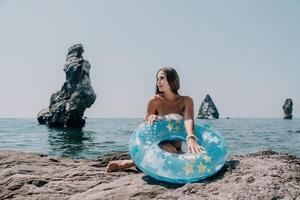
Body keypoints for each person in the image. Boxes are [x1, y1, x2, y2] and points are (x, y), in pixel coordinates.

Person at [106, 67, 204, 172]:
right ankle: (129, 162)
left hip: (177, 144)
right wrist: (150, 117)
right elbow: (145, 127)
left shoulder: (186, 101)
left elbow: (188, 119)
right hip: (159, 142)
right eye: (157, 79)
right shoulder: (155, 100)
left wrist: (191, 137)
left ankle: (136, 162)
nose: (158, 82)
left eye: (162, 78)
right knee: (171, 151)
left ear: (172, 80)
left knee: (182, 153)